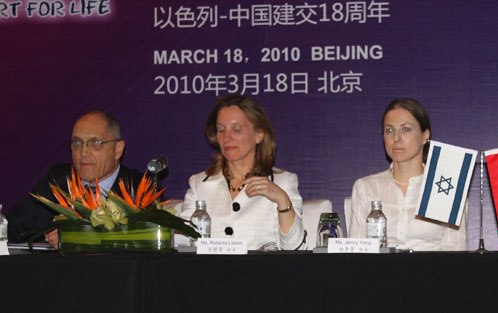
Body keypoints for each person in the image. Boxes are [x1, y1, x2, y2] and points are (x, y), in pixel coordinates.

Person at [177, 95, 306, 250]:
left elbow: (295, 248)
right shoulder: (199, 184)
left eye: (236, 130)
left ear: (259, 134)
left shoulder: (282, 182)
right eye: (221, 130)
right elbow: (181, 242)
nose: (227, 138)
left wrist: (282, 200)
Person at [4, 111, 143, 246]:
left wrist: (77, 236)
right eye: (76, 143)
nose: (83, 152)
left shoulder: (140, 188)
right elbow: (12, 228)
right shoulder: (57, 181)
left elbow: (143, 241)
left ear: (118, 149)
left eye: (95, 142)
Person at [348, 98, 467, 251]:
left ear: (425, 136)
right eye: (389, 130)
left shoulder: (446, 185)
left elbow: (455, 253)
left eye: (406, 129)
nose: (396, 138)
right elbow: (356, 254)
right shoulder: (366, 187)